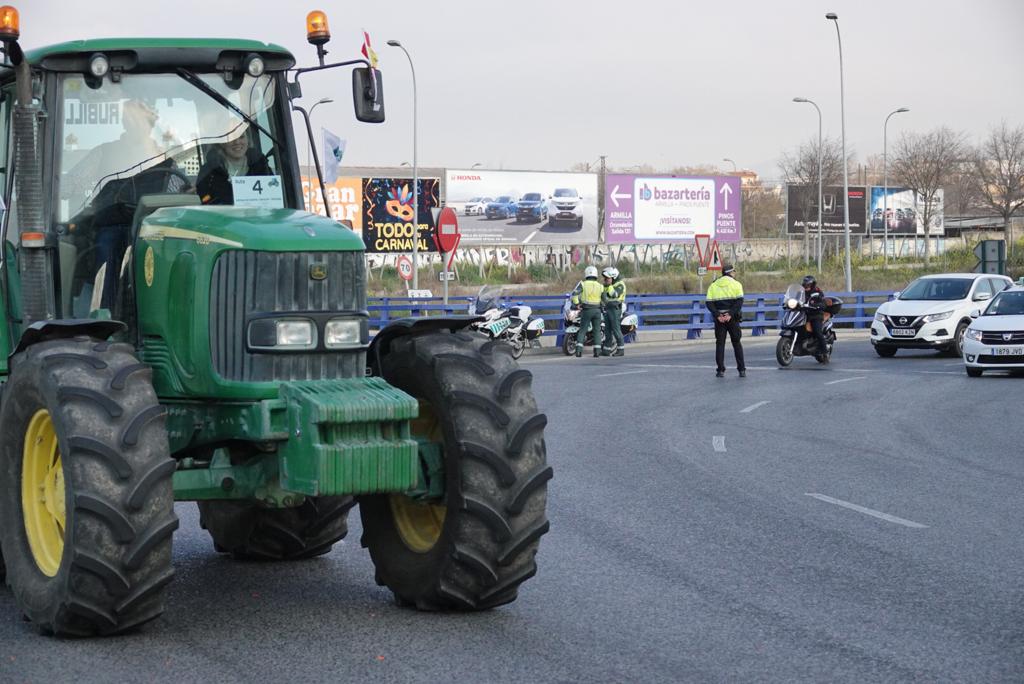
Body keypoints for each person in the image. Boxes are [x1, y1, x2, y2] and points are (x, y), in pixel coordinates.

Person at [196, 126, 272, 205]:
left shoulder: (261, 166)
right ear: (222, 143)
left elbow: (273, 193)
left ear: (248, 140)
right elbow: (205, 199)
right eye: (231, 138)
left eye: (241, 137)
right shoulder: (208, 171)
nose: (237, 142)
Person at [705, 264, 746, 377]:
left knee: (720, 344)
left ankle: (720, 370)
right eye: (734, 271)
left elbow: (709, 302)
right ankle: (741, 370)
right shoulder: (736, 284)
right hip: (732, 319)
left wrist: (718, 315)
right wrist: (730, 314)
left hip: (719, 320)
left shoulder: (713, 285)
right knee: (736, 343)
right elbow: (739, 302)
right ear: (730, 272)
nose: (735, 273)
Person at [570, 265, 604, 358]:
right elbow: (604, 299)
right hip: (597, 310)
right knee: (597, 331)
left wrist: (577, 304)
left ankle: (578, 351)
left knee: (582, 330)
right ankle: (597, 352)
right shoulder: (600, 286)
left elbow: (574, 294)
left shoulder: (583, 284)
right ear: (596, 275)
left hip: (586, 310)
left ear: (586, 274)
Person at [801, 274, 830, 362]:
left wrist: (817, 305)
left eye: (808, 285)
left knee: (817, 332)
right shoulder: (801, 292)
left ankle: (824, 353)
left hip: (815, 315)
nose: (806, 286)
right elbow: (794, 298)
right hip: (804, 314)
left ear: (812, 284)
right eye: (805, 284)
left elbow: (823, 302)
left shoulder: (817, 292)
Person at [601, 266, 626, 356]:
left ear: (613, 277)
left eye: (607, 278)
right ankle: (606, 350)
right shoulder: (607, 285)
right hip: (608, 309)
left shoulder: (620, 284)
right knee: (607, 331)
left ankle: (621, 349)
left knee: (616, 330)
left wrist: (609, 285)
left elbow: (614, 295)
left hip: (615, 309)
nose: (605, 279)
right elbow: (603, 296)